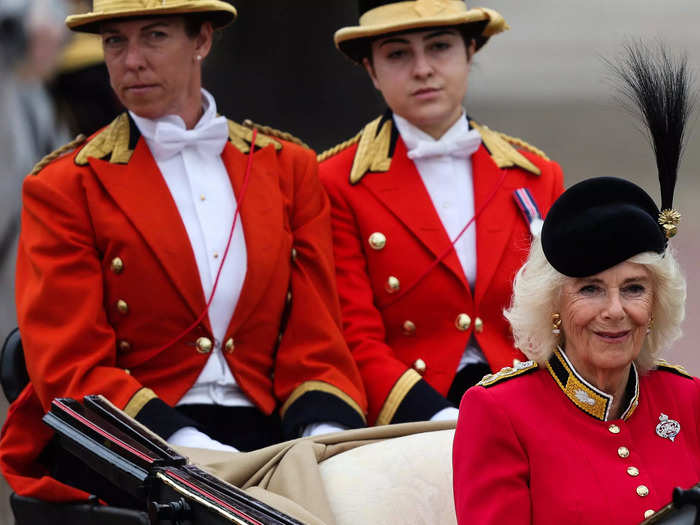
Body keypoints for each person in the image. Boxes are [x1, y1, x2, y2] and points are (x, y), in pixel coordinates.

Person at [0, 0, 367, 504]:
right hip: (132, 436)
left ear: (202, 41)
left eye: (154, 36)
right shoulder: (65, 185)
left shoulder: (288, 168)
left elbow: (318, 337)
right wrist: (190, 450)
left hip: (275, 432)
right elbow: (70, 366)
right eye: (115, 42)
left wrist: (322, 441)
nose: (131, 60)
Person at [452, 44, 698, 524]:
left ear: (656, 305)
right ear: (554, 306)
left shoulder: (686, 399)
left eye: (633, 288)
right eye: (589, 289)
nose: (615, 309)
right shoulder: (499, 412)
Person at [318, 0, 565, 426]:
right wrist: (437, 418)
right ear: (372, 71)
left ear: (470, 52)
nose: (422, 69)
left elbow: (560, 318)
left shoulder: (537, 175)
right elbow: (351, 333)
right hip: (410, 413)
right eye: (397, 54)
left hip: (526, 399)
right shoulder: (335, 182)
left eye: (440, 47)